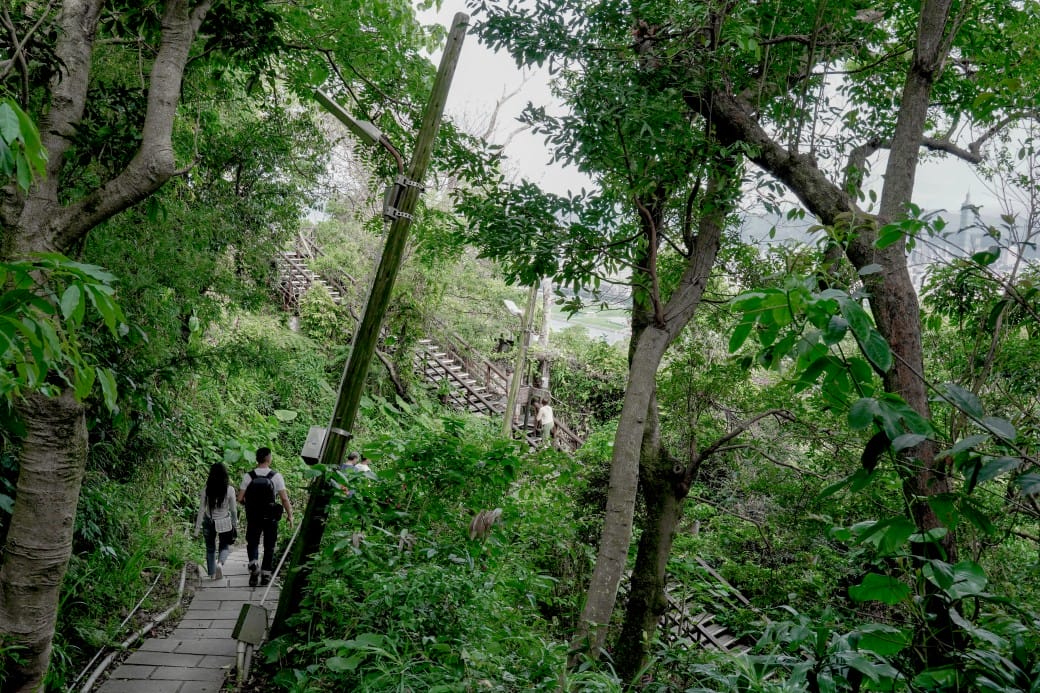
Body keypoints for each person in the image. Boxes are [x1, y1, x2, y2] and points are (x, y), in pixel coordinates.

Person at [238, 447, 293, 587]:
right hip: (270, 517)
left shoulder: (248, 476)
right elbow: (284, 499)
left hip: (253, 516)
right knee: (269, 545)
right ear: (269, 459)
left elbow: (240, 498)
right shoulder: (276, 476)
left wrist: (249, 504)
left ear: (257, 459)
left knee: (252, 542)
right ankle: (266, 574)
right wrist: (290, 515)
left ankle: (254, 565)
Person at [194, 462, 237, 580]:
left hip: (209, 521)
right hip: (225, 522)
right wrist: (235, 524)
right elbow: (233, 510)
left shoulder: (206, 490)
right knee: (224, 546)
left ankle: (212, 573)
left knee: (210, 548)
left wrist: (197, 529)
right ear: (225, 475)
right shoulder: (230, 490)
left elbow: (201, 510)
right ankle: (220, 564)